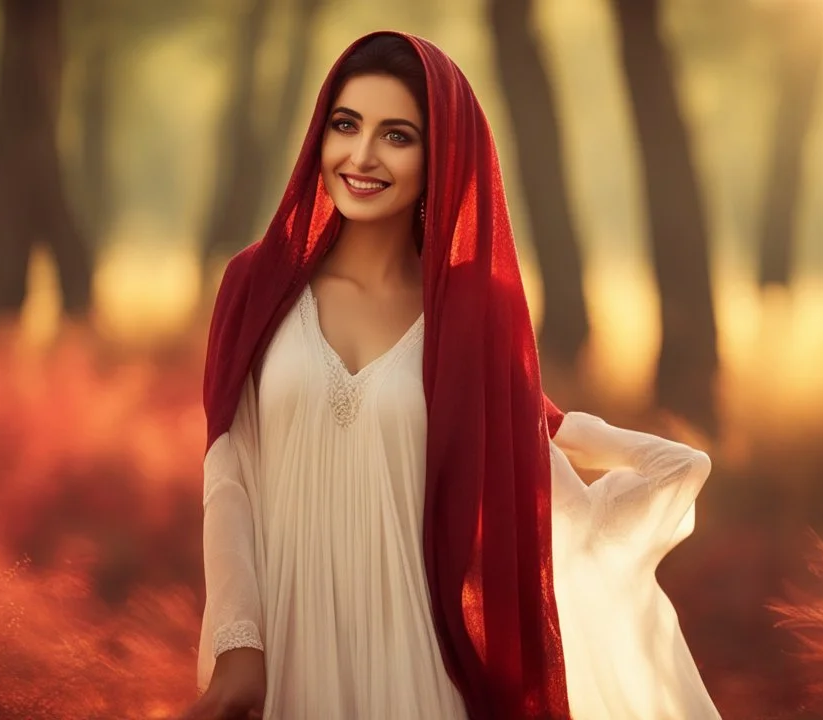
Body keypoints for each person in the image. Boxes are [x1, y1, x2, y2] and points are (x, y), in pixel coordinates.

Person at [182, 30, 721, 720]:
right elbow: (227, 477)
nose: (362, 155)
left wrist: (585, 440)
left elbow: (527, 450)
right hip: (287, 648)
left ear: (442, 158)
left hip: (423, 663)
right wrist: (238, 644)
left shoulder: (473, 310)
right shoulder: (256, 285)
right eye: (346, 124)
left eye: (397, 135)